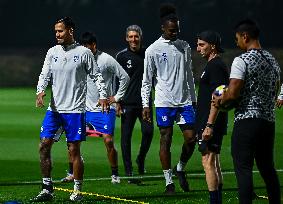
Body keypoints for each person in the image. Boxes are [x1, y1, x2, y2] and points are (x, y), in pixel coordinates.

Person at [31, 17, 108, 202]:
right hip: (55, 110)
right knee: (43, 146)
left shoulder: (83, 53)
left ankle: (77, 191)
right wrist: (40, 91)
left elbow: (97, 76)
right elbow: (44, 74)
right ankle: (47, 188)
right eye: (56, 31)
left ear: (70, 31)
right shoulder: (52, 52)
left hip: (75, 110)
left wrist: (103, 95)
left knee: (74, 150)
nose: (57, 34)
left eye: (60, 31)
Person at [213, 19, 281, 204]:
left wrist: (221, 101)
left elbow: (233, 92)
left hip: (247, 121)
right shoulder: (272, 60)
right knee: (268, 169)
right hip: (268, 122)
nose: (236, 43)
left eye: (237, 38)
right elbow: (276, 89)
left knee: (243, 168)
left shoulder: (242, 60)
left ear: (245, 36)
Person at [60, 31, 130, 184]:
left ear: (94, 45)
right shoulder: (79, 60)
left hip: (104, 109)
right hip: (84, 109)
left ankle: (114, 174)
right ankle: (72, 172)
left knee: (108, 141)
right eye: (82, 46)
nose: (84, 49)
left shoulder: (106, 60)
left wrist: (116, 98)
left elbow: (125, 77)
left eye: (87, 46)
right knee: (72, 141)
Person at [141, 4, 197, 194]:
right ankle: (168, 183)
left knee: (191, 139)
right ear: (163, 28)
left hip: (185, 102)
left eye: (177, 30)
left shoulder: (185, 46)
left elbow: (189, 75)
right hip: (164, 102)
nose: (175, 33)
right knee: (166, 139)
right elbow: (147, 81)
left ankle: (180, 167)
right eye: (172, 30)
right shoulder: (153, 50)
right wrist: (145, 105)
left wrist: (194, 99)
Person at [116, 25, 154, 182]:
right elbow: (115, 79)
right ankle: (129, 170)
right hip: (127, 104)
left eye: (136, 36)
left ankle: (140, 159)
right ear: (126, 38)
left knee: (148, 132)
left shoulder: (148, 54)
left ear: (140, 37)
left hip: (145, 103)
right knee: (126, 137)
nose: (133, 39)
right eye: (130, 37)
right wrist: (117, 101)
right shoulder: (121, 56)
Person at [195, 31, 229, 204]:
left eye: (202, 44)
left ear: (213, 46)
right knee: (213, 160)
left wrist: (209, 124)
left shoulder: (216, 66)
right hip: (210, 121)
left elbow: (219, 94)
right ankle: (218, 200)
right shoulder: (212, 64)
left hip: (210, 122)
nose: (198, 48)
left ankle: (214, 201)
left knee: (207, 161)